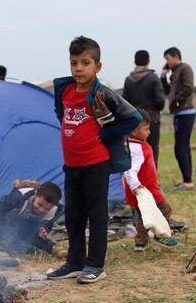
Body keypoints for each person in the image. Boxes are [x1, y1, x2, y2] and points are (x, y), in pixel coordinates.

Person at [47, 36, 141, 284]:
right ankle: (75, 262)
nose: (78, 68)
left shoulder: (102, 94)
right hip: (72, 165)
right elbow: (62, 114)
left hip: (95, 163)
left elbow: (133, 118)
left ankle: (95, 264)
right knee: (73, 216)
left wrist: (103, 134)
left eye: (85, 63)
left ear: (97, 66)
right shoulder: (65, 90)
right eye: (74, 63)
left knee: (96, 216)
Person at [123, 109, 184, 251]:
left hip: (142, 189)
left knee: (142, 216)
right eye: (146, 129)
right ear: (133, 131)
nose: (149, 132)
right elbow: (130, 170)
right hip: (145, 191)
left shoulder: (133, 144)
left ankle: (140, 242)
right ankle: (160, 235)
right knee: (166, 210)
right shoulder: (137, 149)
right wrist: (136, 187)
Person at [0, 181, 66, 266]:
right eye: (39, 205)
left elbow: (47, 224)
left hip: (26, 231)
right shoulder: (19, 196)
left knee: (29, 243)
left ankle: (53, 247)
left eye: (46, 209)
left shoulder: (56, 209)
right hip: (5, 224)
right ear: (35, 194)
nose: (41, 210)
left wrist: (43, 229)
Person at [122, 50, 165, 167]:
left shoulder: (128, 80)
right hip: (151, 120)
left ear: (135, 62)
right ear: (148, 61)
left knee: (133, 152)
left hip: (134, 122)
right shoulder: (153, 78)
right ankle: (152, 180)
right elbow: (161, 102)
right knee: (151, 151)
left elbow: (124, 103)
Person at [161, 47, 196, 191]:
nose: (167, 62)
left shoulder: (185, 68)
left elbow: (189, 88)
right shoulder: (174, 72)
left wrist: (176, 100)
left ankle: (188, 182)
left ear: (176, 57)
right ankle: (187, 179)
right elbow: (167, 91)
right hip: (179, 113)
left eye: (168, 59)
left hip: (186, 111)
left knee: (180, 148)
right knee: (184, 147)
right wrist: (163, 76)